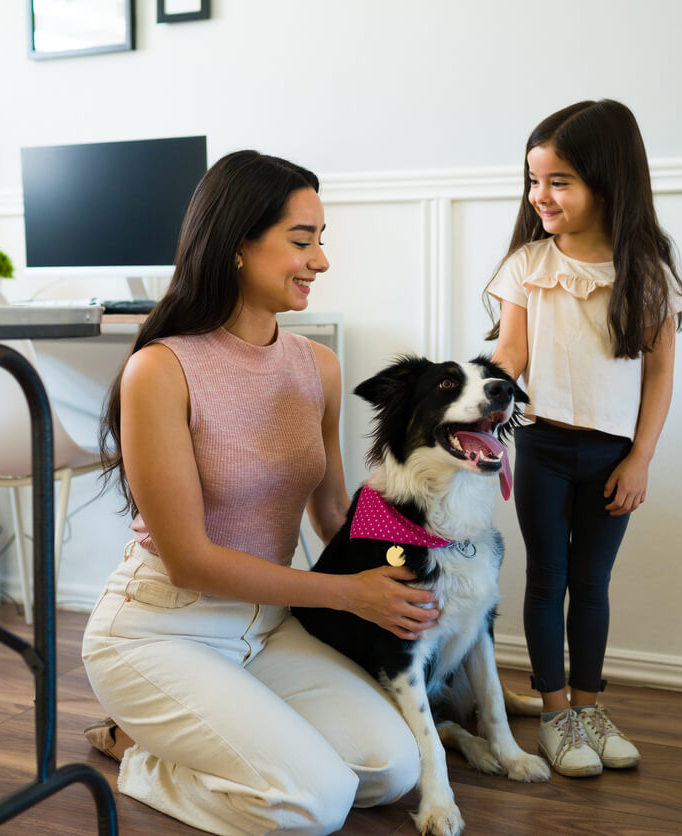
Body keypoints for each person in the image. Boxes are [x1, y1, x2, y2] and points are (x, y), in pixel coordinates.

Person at [82, 150, 440, 836]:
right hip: (162, 628)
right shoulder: (161, 370)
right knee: (315, 804)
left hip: (268, 625)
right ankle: (141, 758)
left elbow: (336, 515)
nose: (321, 260)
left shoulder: (319, 368)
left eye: (321, 241)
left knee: (394, 770)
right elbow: (189, 560)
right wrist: (347, 593)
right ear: (238, 245)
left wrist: (421, 559)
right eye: (302, 241)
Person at [485, 100, 682, 778]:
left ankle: (590, 707)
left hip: (611, 457)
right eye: (532, 180)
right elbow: (511, 354)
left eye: (559, 181)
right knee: (546, 580)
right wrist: (471, 393)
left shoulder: (646, 273)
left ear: (608, 180)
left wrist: (641, 457)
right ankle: (553, 716)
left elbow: (659, 374)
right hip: (541, 447)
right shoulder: (526, 265)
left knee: (591, 583)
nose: (540, 196)